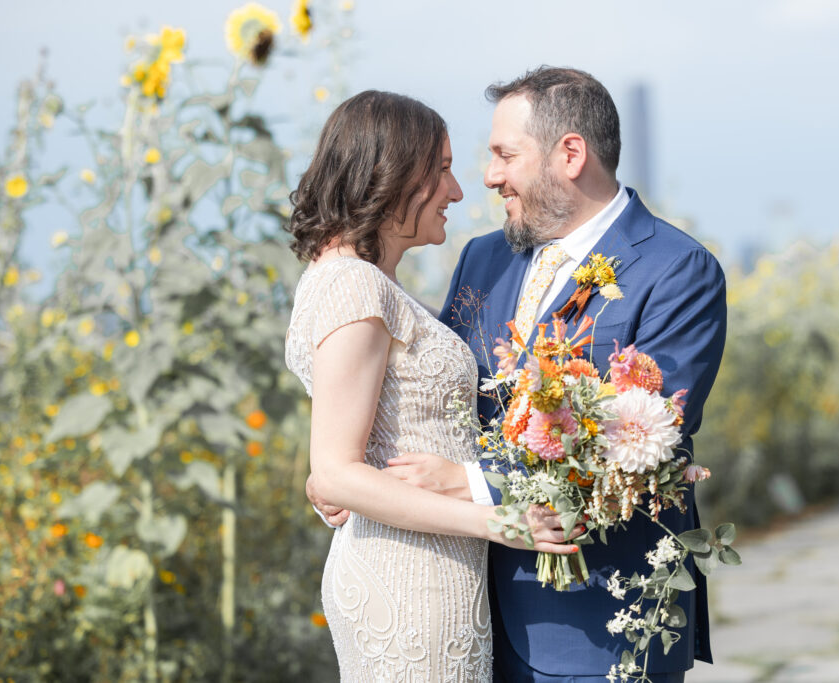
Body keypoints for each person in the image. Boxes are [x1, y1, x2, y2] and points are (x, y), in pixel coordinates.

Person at [311, 69, 727, 681]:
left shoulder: (678, 271)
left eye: (505, 155)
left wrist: (470, 484)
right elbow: (440, 399)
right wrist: (345, 471)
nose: (488, 176)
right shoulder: (483, 257)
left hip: (597, 624)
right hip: (455, 602)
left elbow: (640, 444)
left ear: (571, 154)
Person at [284, 90, 581, 683]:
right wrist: (501, 521)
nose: (458, 190)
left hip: (431, 566)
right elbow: (339, 471)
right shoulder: (353, 287)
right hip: (408, 579)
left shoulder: (367, 283)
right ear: (391, 174)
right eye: (441, 170)